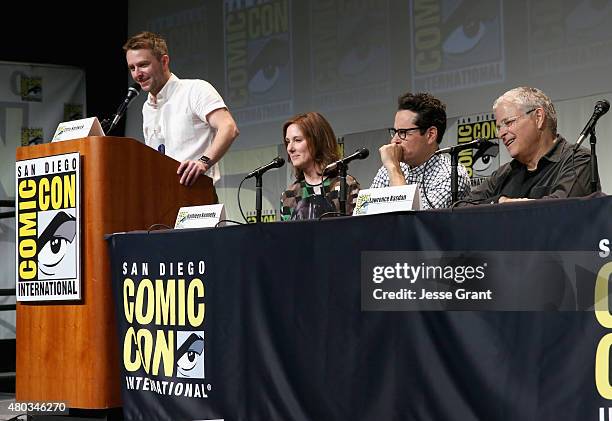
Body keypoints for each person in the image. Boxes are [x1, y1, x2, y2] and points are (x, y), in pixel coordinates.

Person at [123, 31, 239, 186]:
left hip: (196, 193)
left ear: (164, 62)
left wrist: (203, 162)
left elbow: (229, 127)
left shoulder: (195, 89)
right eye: (132, 68)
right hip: (161, 196)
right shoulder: (147, 107)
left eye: (143, 65)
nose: (137, 74)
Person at [466, 86, 596, 204]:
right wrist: (499, 201)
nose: (500, 134)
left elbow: (560, 208)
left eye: (509, 122)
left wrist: (509, 207)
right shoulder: (504, 174)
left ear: (538, 117)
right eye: (499, 127)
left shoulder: (577, 160)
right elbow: (461, 207)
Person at [370, 92, 470, 209]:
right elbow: (367, 216)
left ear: (430, 135)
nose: (394, 140)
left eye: (403, 132)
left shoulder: (452, 175)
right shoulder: (386, 171)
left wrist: (394, 169)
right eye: (394, 132)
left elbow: (414, 222)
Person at [280, 112, 360, 220]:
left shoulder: (345, 185)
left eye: (297, 140)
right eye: (288, 142)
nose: (290, 148)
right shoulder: (289, 195)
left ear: (317, 141)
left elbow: (359, 232)